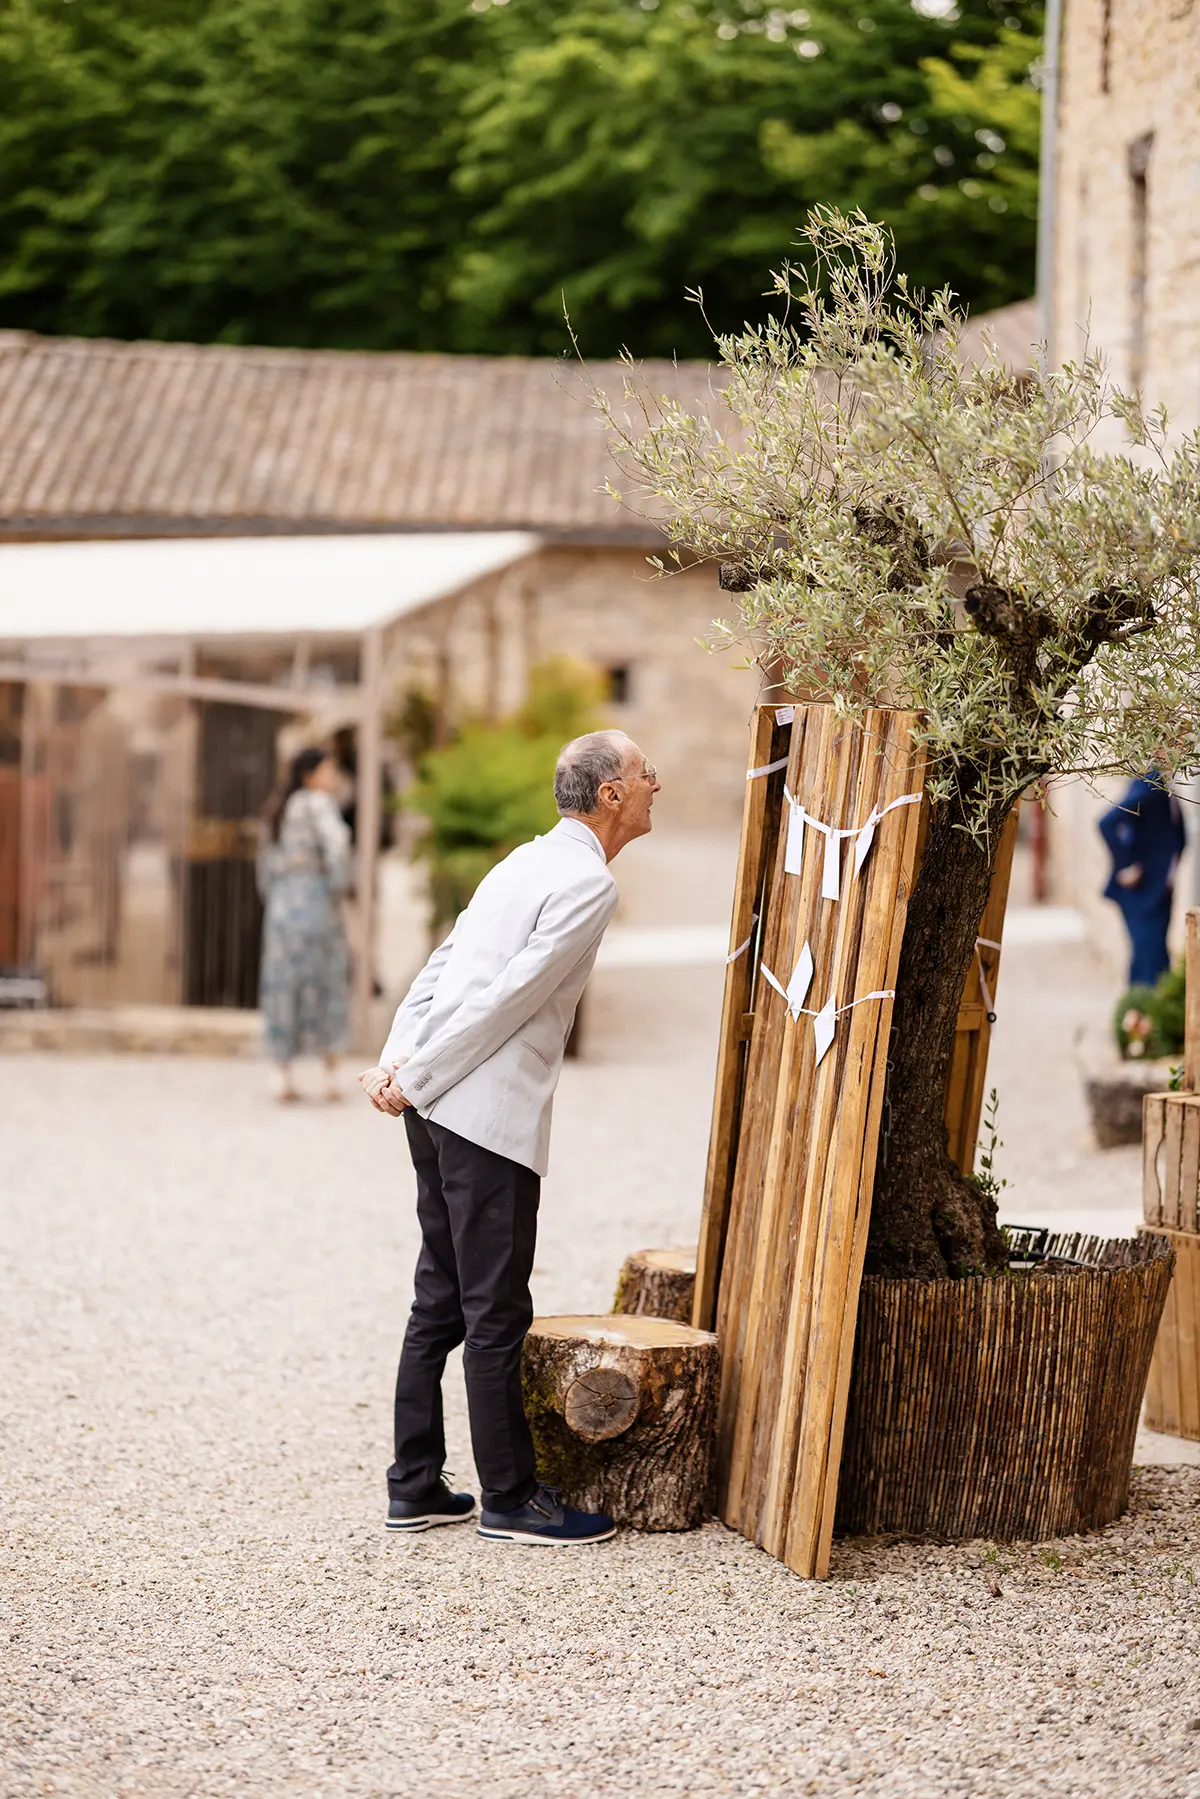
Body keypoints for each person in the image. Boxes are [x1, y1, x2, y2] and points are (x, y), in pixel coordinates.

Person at [359, 730, 660, 1547]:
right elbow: (505, 998)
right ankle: (509, 1498)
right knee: (494, 1310)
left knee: (440, 1300)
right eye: (644, 775)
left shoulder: (521, 861)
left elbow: (439, 968)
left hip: (434, 1106)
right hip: (481, 1117)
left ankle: (414, 1484)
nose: (653, 786)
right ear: (608, 795)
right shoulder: (585, 885)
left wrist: (397, 1063)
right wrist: (410, 1075)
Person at [258, 747, 352, 1102]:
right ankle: (331, 1073)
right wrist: (337, 885)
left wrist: (277, 895)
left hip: (282, 906)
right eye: (328, 771)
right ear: (309, 775)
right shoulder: (318, 804)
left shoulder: (278, 809)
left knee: (282, 986)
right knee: (327, 984)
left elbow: (264, 866)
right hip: (316, 904)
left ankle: (281, 1073)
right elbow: (338, 849)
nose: (332, 778)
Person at [1099, 769, 1186, 987]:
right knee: (1148, 966)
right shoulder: (1151, 780)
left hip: (1159, 892)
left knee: (1156, 961)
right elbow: (1108, 822)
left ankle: (1145, 1017)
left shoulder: (1163, 781)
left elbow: (1175, 833)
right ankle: (1140, 1017)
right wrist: (1126, 864)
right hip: (1142, 892)